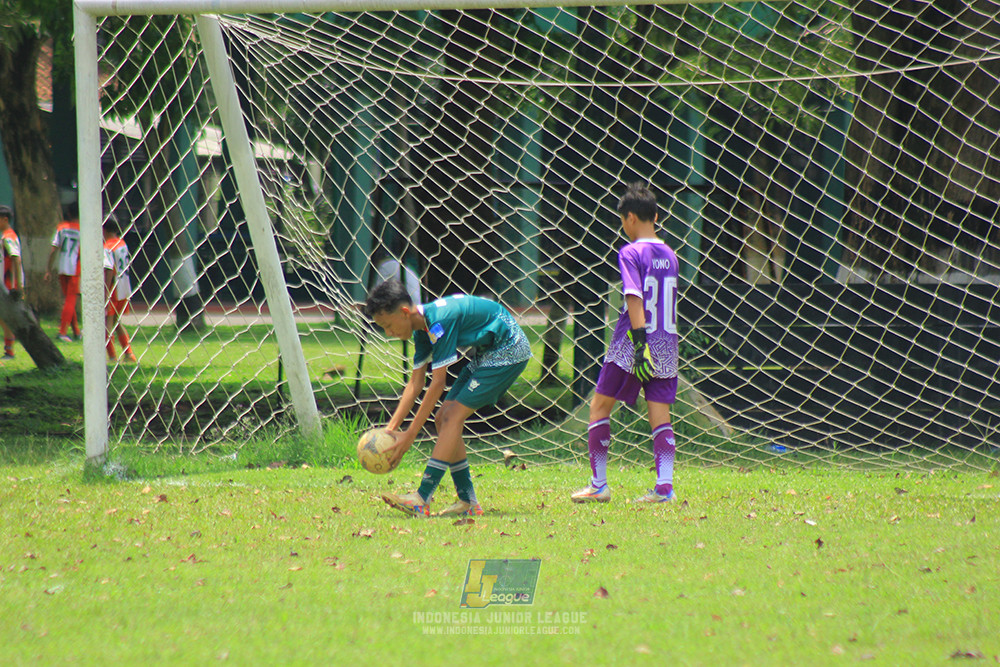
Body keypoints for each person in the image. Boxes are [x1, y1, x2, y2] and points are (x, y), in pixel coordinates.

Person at [363, 279, 531, 517]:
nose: (389, 333)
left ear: (403, 312)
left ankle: (422, 498)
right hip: (489, 352)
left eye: (388, 326)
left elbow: (437, 384)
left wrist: (410, 435)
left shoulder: (439, 321)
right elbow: (415, 383)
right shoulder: (422, 329)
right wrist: (391, 430)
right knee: (443, 419)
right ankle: (468, 502)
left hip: (510, 350)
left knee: (452, 416)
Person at [571, 183, 680, 504]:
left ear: (630, 218)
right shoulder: (671, 254)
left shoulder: (630, 252)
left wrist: (639, 344)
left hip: (631, 344)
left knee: (599, 406)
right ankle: (664, 488)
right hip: (666, 345)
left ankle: (599, 485)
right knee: (660, 415)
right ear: (656, 216)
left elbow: (633, 296)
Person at [45, 202, 82, 342]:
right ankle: (62, 332)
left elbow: (53, 248)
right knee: (71, 299)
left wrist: (48, 269)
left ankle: (76, 332)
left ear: (69, 213)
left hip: (62, 266)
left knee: (68, 299)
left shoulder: (61, 228)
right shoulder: (82, 229)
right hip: (75, 268)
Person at [103, 214, 136, 363]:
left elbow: (109, 269)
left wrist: (105, 292)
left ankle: (111, 357)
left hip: (113, 289)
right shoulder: (122, 243)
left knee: (106, 323)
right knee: (117, 321)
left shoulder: (107, 247)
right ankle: (129, 354)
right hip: (124, 287)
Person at [0, 205, 24, 359]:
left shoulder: (8, 237)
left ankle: (9, 349)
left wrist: (17, 284)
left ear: (5, 219)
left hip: (8, 283)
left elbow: (15, 258)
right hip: (6, 282)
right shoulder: (6, 236)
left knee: (5, 315)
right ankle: (9, 347)